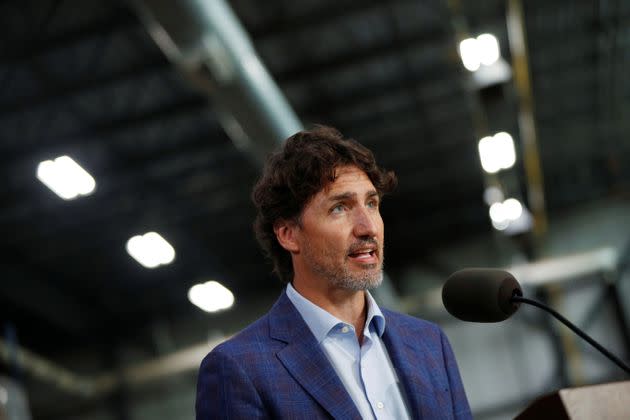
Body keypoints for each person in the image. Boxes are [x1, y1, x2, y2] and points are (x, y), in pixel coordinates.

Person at [196, 125, 472, 419]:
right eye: (340, 208)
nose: (368, 227)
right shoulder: (239, 369)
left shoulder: (430, 344)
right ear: (288, 234)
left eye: (371, 203)